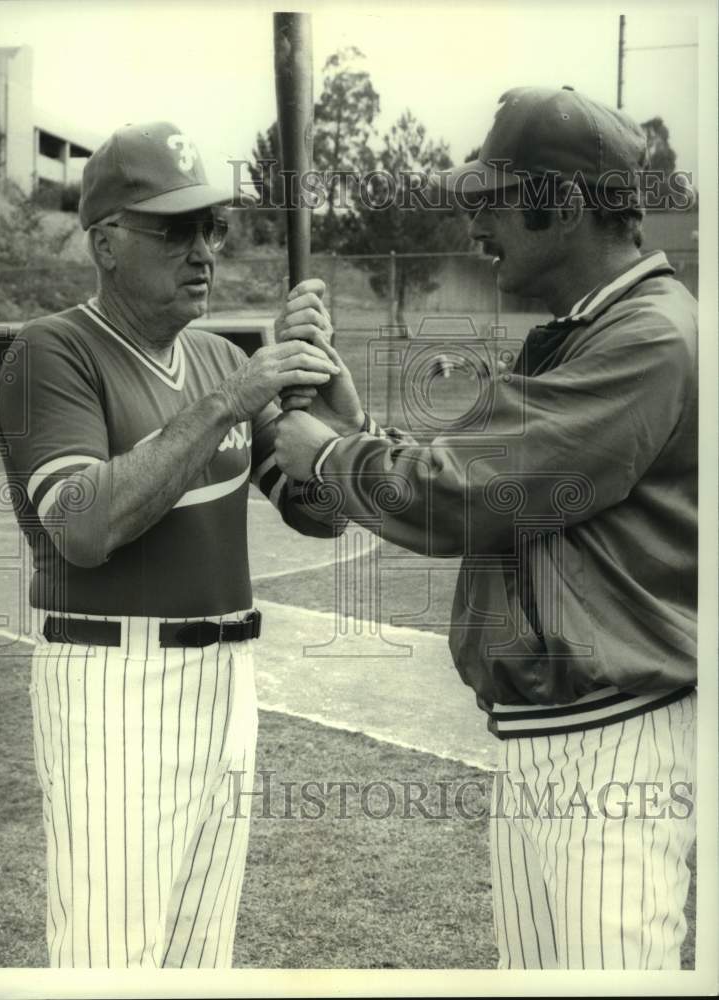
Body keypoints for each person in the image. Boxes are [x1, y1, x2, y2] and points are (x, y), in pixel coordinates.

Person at [273, 86, 697, 970]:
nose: (475, 223)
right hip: (561, 728)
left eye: (493, 199)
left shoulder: (648, 337)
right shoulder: (586, 331)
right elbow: (486, 470)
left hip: (615, 738)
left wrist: (327, 455)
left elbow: (466, 495)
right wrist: (359, 431)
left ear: (565, 205)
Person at [0, 120, 341, 969]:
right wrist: (227, 403)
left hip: (227, 683)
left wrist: (331, 390)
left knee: (198, 961)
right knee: (110, 960)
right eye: (175, 229)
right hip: (113, 685)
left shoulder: (218, 355)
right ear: (106, 243)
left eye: (210, 227)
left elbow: (321, 512)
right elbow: (82, 527)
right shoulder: (51, 353)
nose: (203, 251)